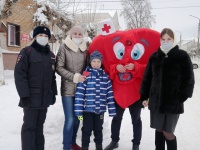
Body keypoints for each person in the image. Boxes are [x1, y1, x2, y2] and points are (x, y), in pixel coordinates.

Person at [139, 28, 195, 150]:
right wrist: (144, 96)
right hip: (156, 102)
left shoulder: (182, 56)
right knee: (159, 130)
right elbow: (147, 78)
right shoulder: (154, 57)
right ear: (160, 40)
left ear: (173, 40)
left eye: (169, 39)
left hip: (173, 104)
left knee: (167, 132)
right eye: (163, 39)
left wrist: (182, 96)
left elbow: (189, 78)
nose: (166, 41)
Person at [14, 26, 57, 150]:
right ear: (35, 37)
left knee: (39, 127)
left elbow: (52, 77)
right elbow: (20, 75)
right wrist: (24, 95)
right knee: (29, 127)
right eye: (40, 35)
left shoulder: (51, 55)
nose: (43, 38)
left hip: (44, 99)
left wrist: (53, 93)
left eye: (45, 36)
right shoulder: (27, 52)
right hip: (31, 98)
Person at [74, 50, 116, 150]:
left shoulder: (105, 77)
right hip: (87, 110)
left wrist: (112, 110)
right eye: (94, 61)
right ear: (90, 62)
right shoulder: (85, 75)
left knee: (98, 129)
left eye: (98, 62)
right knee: (86, 129)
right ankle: (85, 147)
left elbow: (109, 95)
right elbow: (80, 94)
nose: (96, 64)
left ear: (101, 63)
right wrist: (79, 111)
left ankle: (99, 147)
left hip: (100, 110)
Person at [56, 25, 88, 150]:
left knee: (77, 118)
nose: (77, 36)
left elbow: (87, 68)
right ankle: (66, 146)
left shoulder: (85, 49)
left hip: (80, 90)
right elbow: (59, 67)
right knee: (69, 119)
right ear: (70, 34)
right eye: (75, 33)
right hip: (67, 90)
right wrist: (74, 77)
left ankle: (73, 142)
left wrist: (84, 77)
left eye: (80, 34)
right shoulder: (64, 47)